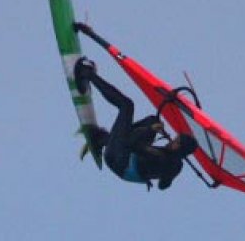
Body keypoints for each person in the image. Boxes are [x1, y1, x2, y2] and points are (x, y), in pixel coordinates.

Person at [73, 55, 198, 190]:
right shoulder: (176, 166)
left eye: (175, 141)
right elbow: (163, 186)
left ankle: (86, 73)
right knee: (153, 120)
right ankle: (102, 139)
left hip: (117, 158)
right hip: (123, 165)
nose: (171, 141)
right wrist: (165, 173)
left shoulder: (160, 157)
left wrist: (150, 130)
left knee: (127, 105)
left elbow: (131, 144)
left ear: (178, 147)